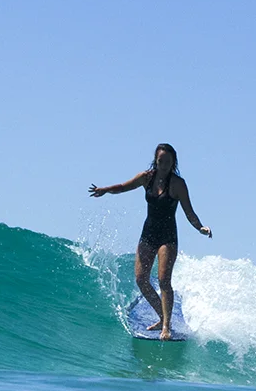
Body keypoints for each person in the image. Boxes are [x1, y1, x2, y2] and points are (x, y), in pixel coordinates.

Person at [89, 143, 211, 340]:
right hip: (148, 235)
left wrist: (200, 227)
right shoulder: (147, 177)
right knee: (141, 279)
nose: (163, 165)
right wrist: (105, 190)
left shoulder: (178, 184)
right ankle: (162, 317)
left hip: (168, 237)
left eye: (168, 162)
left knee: (164, 280)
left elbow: (189, 211)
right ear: (156, 160)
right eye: (160, 161)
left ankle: (166, 327)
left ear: (173, 163)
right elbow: (123, 187)